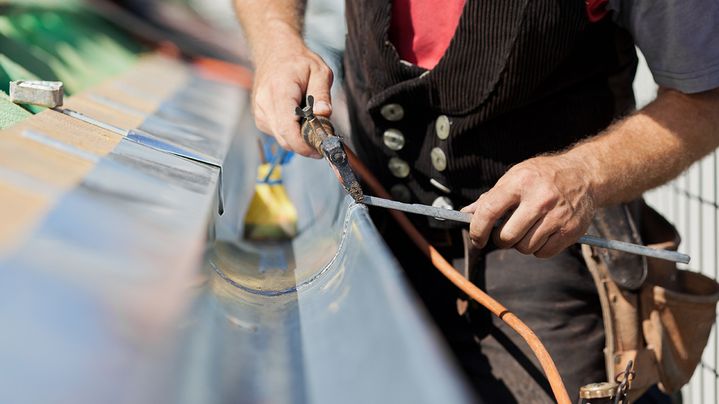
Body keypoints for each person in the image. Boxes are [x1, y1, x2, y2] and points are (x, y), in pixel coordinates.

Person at [234, 0, 719, 401]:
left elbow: (706, 101)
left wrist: (583, 175)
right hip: (373, 244)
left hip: (544, 256)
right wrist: (277, 42)